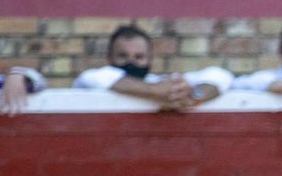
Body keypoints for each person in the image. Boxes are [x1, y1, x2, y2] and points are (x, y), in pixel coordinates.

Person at [73, 25, 233, 111]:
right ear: (109, 58)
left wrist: (194, 96)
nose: (131, 62)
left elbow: (219, 75)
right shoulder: (93, 80)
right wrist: (155, 91)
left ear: (150, 59)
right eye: (123, 56)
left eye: (139, 57)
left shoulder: (160, 84)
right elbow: (95, 77)